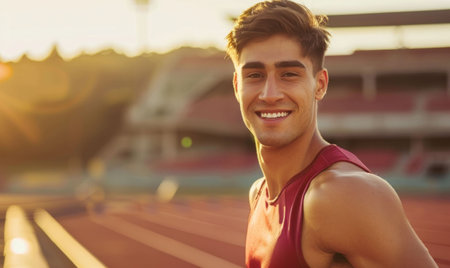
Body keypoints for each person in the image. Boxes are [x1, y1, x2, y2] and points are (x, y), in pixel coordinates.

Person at [225, 1, 437, 267]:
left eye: (289, 74)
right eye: (254, 75)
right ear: (236, 86)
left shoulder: (344, 193)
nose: (270, 94)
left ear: (320, 85)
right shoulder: (259, 193)